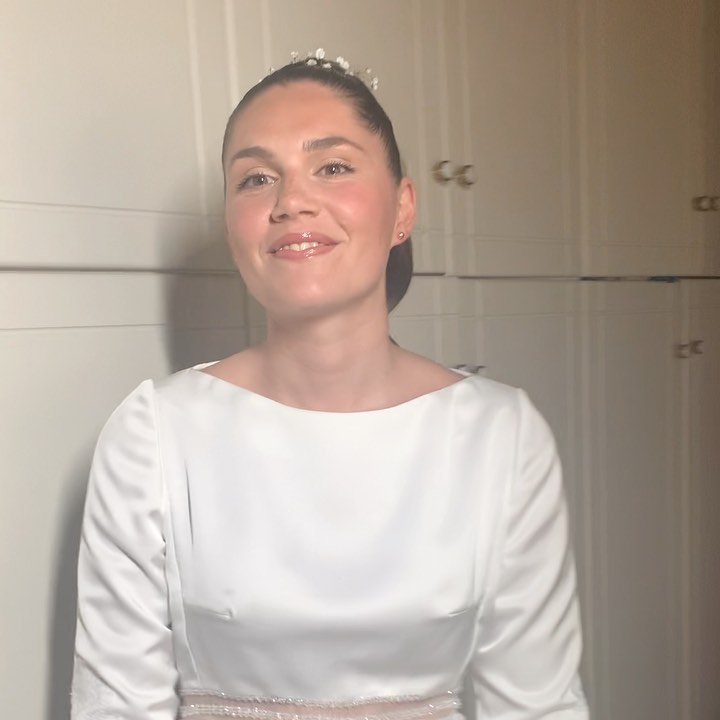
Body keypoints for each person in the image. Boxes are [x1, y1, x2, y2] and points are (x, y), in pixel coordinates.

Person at [71, 52, 589, 720]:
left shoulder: (502, 435)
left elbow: (538, 704)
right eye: (257, 179)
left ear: (402, 208)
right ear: (232, 226)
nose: (291, 201)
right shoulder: (153, 434)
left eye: (334, 167)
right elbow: (115, 706)